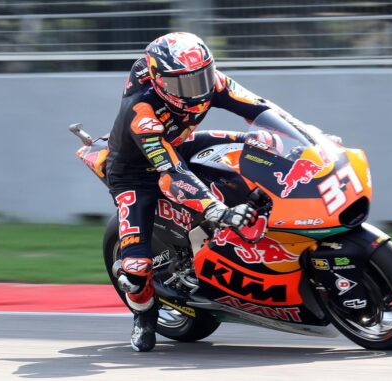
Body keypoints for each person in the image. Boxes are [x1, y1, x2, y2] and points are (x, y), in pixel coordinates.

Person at [106, 32, 323, 352]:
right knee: (136, 270)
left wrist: (308, 138)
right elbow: (172, 173)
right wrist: (215, 209)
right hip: (137, 173)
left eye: (203, 76)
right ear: (160, 81)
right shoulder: (142, 113)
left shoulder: (210, 82)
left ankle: (269, 235)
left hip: (179, 144)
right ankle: (144, 315)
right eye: (185, 84)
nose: (198, 89)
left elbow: (261, 110)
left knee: (257, 147)